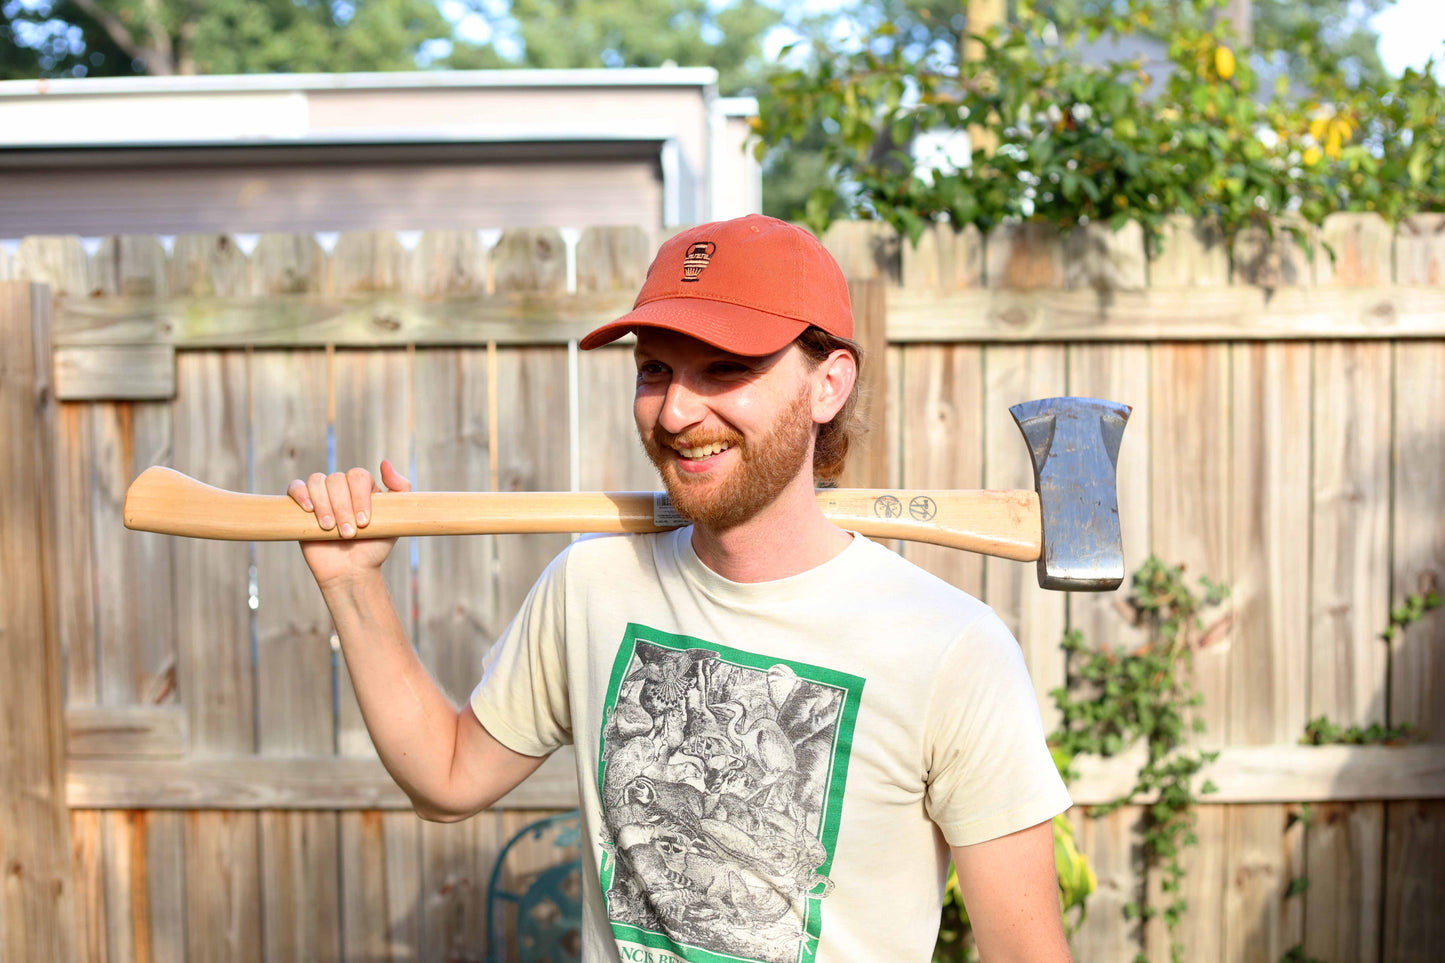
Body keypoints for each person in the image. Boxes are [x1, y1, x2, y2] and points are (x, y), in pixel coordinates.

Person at [289, 214, 1074, 962]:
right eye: (655, 369)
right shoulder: (592, 586)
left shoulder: (950, 649)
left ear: (828, 384)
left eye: (726, 368)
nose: (675, 411)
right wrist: (354, 584)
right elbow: (447, 779)